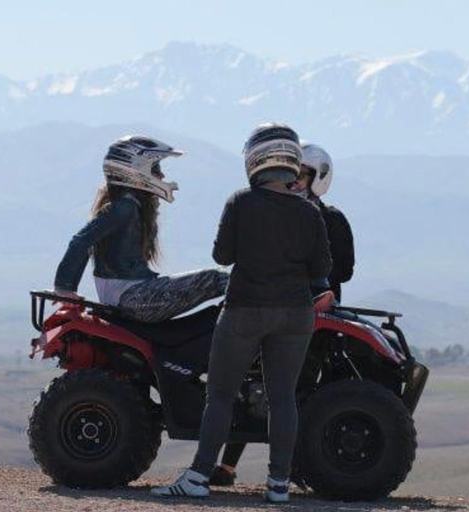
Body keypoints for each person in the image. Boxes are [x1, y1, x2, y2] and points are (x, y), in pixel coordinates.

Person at [151, 123, 332, 502]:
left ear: (254, 160)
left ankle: (199, 478)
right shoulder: (309, 213)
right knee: (283, 397)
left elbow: (223, 256)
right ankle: (279, 485)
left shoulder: (240, 202)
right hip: (295, 314)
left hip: (245, 310)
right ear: (292, 161)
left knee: (219, 394)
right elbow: (321, 270)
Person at [209, 141, 355, 487]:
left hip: (312, 315)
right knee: (256, 385)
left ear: (318, 178)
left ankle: (287, 472)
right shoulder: (285, 211)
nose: (296, 182)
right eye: (293, 174)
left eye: (302, 175)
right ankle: (232, 468)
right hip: (284, 308)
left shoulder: (329, 218)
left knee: (289, 391)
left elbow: (343, 270)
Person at [53, 135, 229, 321]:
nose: (161, 176)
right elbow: (81, 240)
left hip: (131, 293)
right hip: (130, 297)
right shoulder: (124, 208)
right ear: (135, 171)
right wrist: (64, 288)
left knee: (219, 279)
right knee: (216, 279)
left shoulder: (130, 206)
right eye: (155, 169)